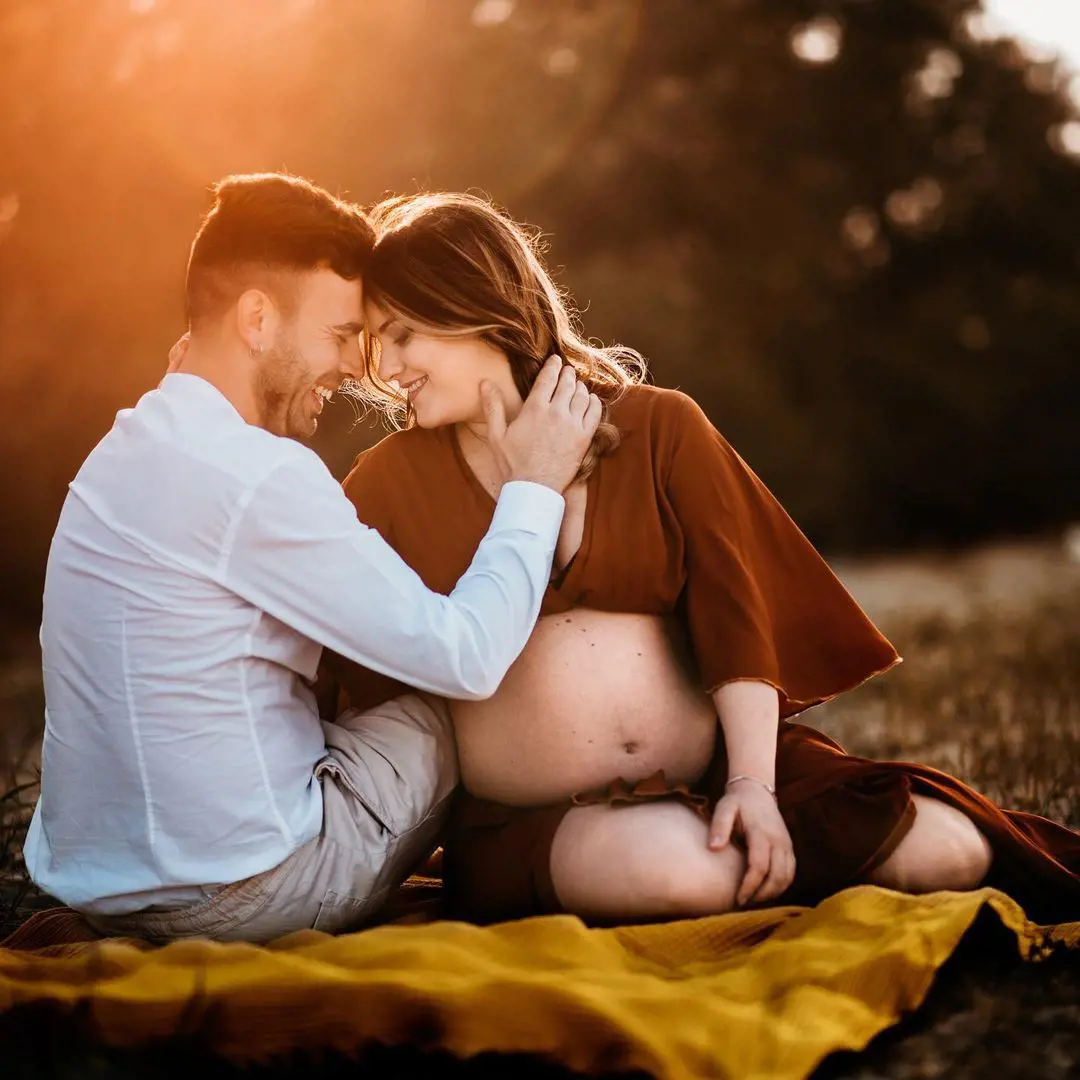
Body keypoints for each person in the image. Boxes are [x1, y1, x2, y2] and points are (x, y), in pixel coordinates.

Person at [327, 191, 1080, 928]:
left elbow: (737, 612)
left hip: (723, 764)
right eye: (373, 343)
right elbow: (343, 666)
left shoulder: (661, 427)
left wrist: (752, 785)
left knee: (948, 855)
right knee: (684, 873)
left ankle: (763, 847)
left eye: (401, 335)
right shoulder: (387, 483)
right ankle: (756, 874)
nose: (384, 368)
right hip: (533, 818)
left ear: (471, 306)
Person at [23, 173, 603, 944]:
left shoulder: (127, 447)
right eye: (339, 335)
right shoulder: (254, 475)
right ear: (258, 319)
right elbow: (465, 657)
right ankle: (541, 861)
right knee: (451, 709)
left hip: (106, 888)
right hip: (241, 899)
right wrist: (532, 487)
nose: (353, 368)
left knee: (354, 706)